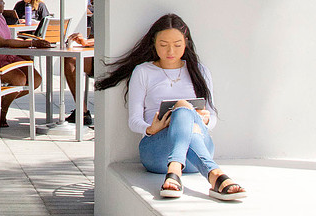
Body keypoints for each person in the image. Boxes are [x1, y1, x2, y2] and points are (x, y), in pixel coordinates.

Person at [95, 14, 246, 201]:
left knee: (184, 110)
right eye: (164, 44)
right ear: (154, 43)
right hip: (157, 153)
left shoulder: (200, 71)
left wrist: (205, 121)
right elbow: (134, 121)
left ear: (186, 43)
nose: (170, 51)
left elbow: (213, 116)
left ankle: (175, 171)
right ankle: (216, 175)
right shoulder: (143, 71)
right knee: (182, 107)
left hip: (196, 155)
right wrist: (150, 129)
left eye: (177, 44)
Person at [15, 0, 93, 126]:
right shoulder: (19, 6)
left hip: (36, 39)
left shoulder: (40, 6)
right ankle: (82, 111)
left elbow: (45, 24)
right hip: (25, 38)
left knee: (70, 60)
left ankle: (82, 111)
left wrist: (88, 42)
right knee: (69, 59)